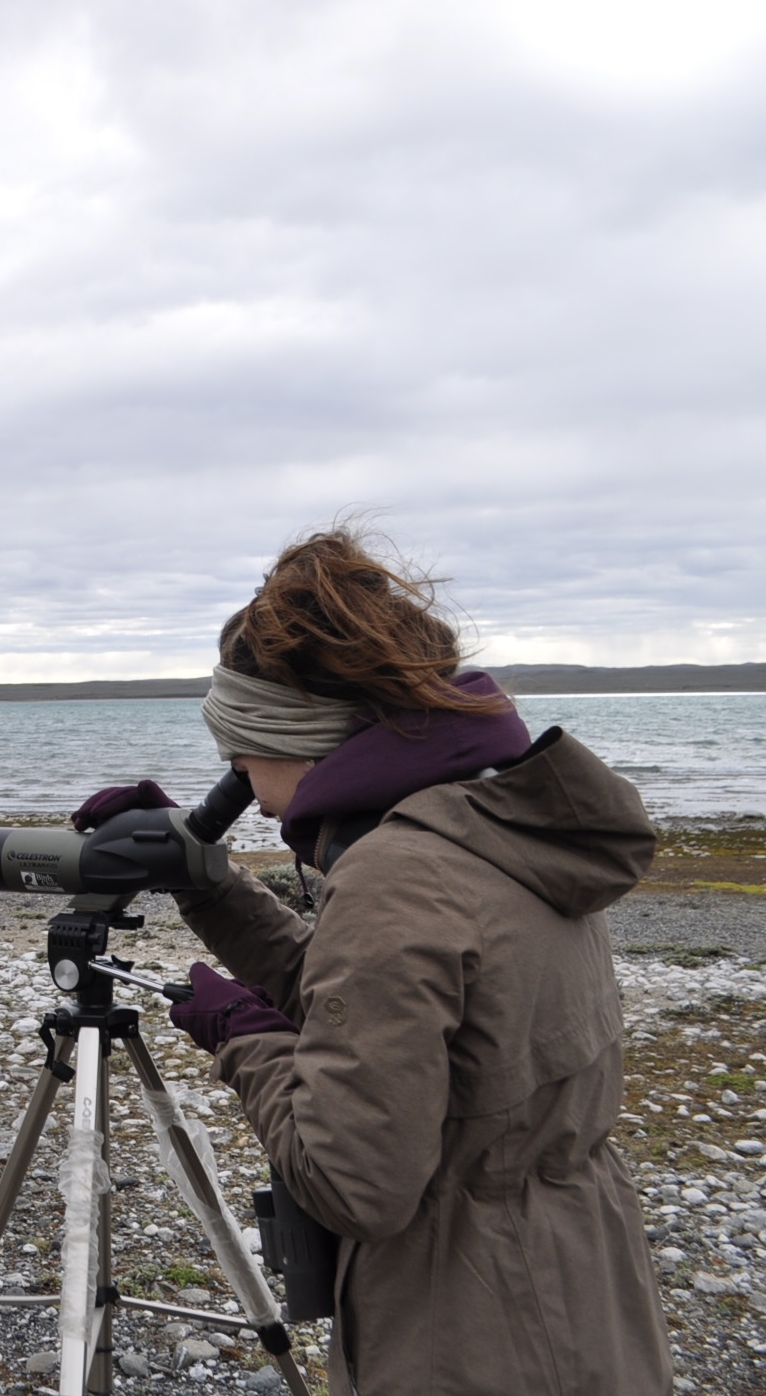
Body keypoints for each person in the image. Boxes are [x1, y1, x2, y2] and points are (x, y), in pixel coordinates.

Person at [140, 530, 668, 1395]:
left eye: (235, 741)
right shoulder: (496, 828)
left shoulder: (392, 875)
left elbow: (354, 1186)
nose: (232, 768)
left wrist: (242, 1033)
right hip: (581, 1272)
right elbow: (399, 1023)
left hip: (464, 1318)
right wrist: (209, 886)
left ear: (293, 732)